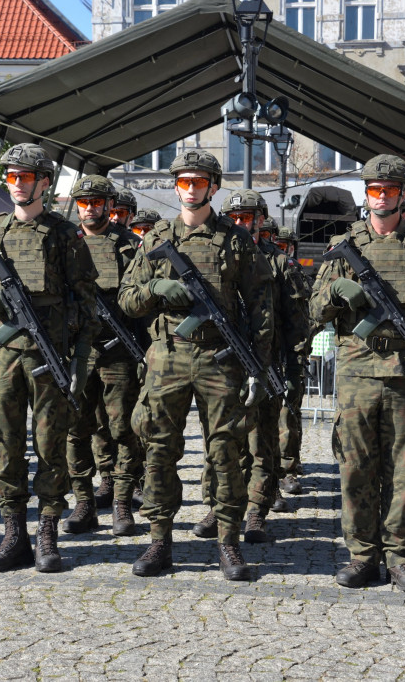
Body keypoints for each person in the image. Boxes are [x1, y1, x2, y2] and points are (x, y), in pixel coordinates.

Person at [118, 149, 274, 580]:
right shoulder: (155, 239)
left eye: (198, 182)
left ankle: (228, 542)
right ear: (175, 186)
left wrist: (257, 367)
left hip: (220, 357)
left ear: (213, 187)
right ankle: (159, 541)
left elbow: (261, 305)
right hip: (167, 354)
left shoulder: (235, 239)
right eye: (183, 182)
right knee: (159, 449)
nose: (190, 189)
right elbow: (128, 301)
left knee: (226, 451)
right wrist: (156, 287)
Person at [310, 154, 405, 592]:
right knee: (355, 466)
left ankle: (400, 558)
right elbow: (314, 309)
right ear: (366, 194)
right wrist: (336, 290)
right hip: (357, 372)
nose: (382, 197)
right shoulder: (343, 248)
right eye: (374, 190)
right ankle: (361, 556)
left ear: (402, 195)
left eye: (390, 190)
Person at [0, 143, 99, 573]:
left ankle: (47, 534)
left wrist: (78, 360)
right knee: (7, 445)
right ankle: (13, 535)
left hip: (48, 355)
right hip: (4, 356)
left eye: (25, 177)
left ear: (45, 182)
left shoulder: (64, 235)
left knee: (49, 447)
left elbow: (86, 300)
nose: (17, 184)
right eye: (11, 177)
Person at [191, 190, 308, 544]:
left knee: (262, 442)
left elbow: (295, 321)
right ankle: (220, 507)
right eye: (236, 218)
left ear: (260, 220)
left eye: (249, 218)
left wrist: (294, 368)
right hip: (222, 365)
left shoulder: (279, 263)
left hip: (264, 364)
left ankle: (257, 509)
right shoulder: (216, 257)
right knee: (221, 442)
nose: (242, 224)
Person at [64, 175, 143, 537]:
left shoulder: (130, 246)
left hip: (118, 351)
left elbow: (142, 300)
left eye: (97, 202)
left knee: (124, 428)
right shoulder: (65, 241)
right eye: (84, 202)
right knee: (77, 428)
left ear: (110, 206)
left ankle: (122, 501)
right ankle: (83, 502)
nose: (90, 208)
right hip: (75, 350)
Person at [272, 223, 312, 495]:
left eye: (286, 246)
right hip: (263, 351)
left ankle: (287, 469)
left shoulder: (294, 273)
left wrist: (299, 355)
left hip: (287, 352)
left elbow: (303, 317)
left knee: (288, 415)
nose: (281, 250)